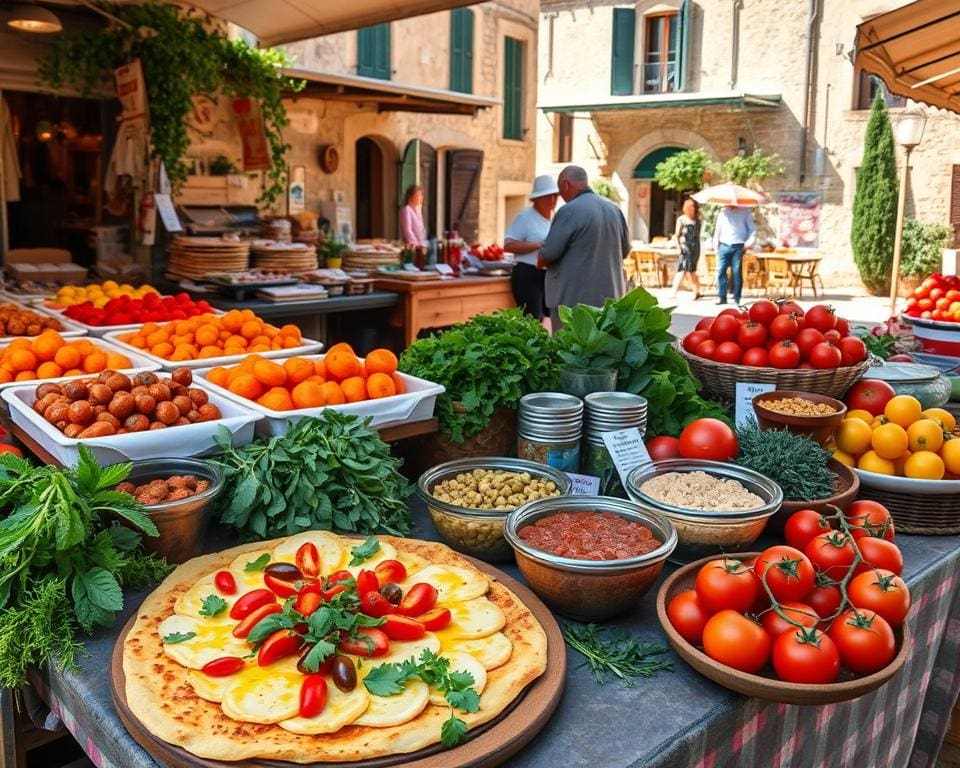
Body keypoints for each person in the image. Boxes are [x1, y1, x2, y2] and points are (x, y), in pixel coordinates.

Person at [539, 166, 629, 331]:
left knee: (569, 349)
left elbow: (547, 254)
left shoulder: (569, 211)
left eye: (560, 191)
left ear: (566, 185)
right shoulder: (614, 209)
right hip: (609, 299)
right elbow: (624, 251)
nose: (560, 197)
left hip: (572, 301)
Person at [504, 175, 559, 319]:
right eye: (548, 196)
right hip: (528, 274)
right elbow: (508, 245)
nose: (552, 200)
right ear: (537, 199)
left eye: (555, 196)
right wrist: (538, 245)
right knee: (533, 318)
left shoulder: (555, 219)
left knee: (553, 316)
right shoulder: (525, 217)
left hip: (549, 275)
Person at [712, 204, 756, 305]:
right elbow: (717, 231)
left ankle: (737, 298)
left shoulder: (745, 212)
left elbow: (752, 229)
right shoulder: (722, 214)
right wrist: (715, 247)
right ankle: (722, 297)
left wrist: (749, 242)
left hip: (738, 245)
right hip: (724, 245)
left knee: (736, 272)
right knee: (721, 271)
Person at [670, 198, 702, 300]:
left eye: (694, 207)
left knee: (692, 269)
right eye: (691, 207)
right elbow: (676, 235)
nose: (693, 209)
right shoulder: (682, 219)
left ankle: (697, 290)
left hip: (695, 247)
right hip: (685, 247)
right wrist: (678, 247)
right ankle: (673, 292)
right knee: (682, 268)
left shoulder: (697, 220)